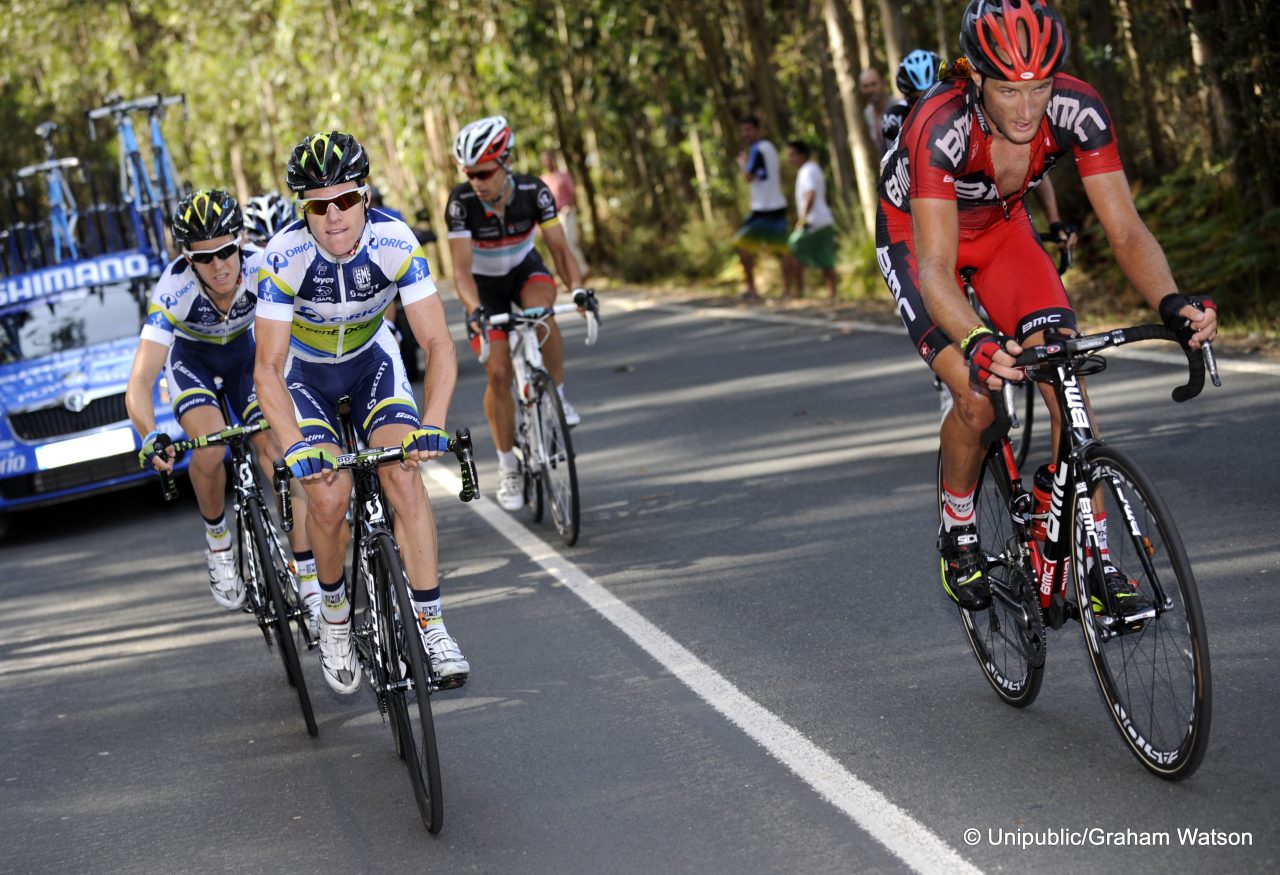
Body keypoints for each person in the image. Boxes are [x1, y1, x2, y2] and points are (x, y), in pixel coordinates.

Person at [875, 0, 1216, 614]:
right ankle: (958, 531)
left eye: (1039, 88)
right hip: (918, 240)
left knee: (1070, 384)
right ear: (976, 78)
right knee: (978, 398)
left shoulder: (1078, 108)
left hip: (1005, 234)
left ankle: (1096, 559)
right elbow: (933, 269)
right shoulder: (939, 123)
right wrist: (977, 340)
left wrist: (1169, 300)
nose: (1028, 109)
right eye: (1009, 91)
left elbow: (1126, 230)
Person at [254, 131, 469, 694]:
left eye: (344, 199)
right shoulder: (284, 257)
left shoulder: (395, 242)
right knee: (328, 497)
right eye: (318, 205)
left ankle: (432, 627)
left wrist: (434, 424)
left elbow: (439, 345)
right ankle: (334, 616)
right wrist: (295, 444)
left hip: (372, 361)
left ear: (364, 197)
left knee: (403, 472)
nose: (332, 215)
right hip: (307, 376)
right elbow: (268, 369)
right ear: (304, 210)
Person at [126, 189, 317, 618]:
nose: (218, 266)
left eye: (227, 251)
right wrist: (149, 432)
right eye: (204, 257)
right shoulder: (172, 289)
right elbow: (140, 378)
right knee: (210, 447)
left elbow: (305, 327)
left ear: (242, 240)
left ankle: (308, 571)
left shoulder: (264, 265)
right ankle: (218, 543)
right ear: (188, 259)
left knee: (276, 446)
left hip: (247, 357)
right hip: (193, 360)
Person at [445, 116, 587, 513]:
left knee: (543, 314)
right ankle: (508, 464)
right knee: (500, 372)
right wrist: (474, 311)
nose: (477, 182)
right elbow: (459, 270)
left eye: (485, 172)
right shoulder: (461, 203)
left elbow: (560, 250)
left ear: (505, 162)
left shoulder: (534, 191)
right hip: (484, 288)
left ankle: (556, 395)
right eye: (470, 174)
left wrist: (577, 290)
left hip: (526, 270)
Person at [733, 115, 795, 299]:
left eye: (748, 129)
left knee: (741, 244)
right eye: (743, 130)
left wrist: (743, 164)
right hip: (776, 205)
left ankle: (752, 287)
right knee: (782, 249)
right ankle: (788, 290)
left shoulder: (757, 149)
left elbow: (748, 177)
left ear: (758, 130)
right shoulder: (770, 148)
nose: (745, 134)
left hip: (763, 209)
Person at [784, 142, 837, 299]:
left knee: (792, 249)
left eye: (792, 155)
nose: (790, 159)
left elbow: (811, 194)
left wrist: (803, 219)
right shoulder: (813, 169)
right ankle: (832, 294)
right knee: (826, 257)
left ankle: (798, 291)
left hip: (812, 222)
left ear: (802, 155)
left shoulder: (807, 171)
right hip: (825, 220)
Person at [539, 149, 589, 278]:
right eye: (545, 160)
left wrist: (569, 207)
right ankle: (569, 277)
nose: (548, 162)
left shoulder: (563, 175)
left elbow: (573, 193)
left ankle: (583, 271)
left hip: (567, 213)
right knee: (558, 247)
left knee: (569, 243)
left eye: (550, 159)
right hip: (552, 217)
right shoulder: (542, 180)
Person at [860, 67, 907, 156]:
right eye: (866, 86)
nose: (870, 90)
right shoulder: (867, 113)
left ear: (883, 84)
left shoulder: (899, 107)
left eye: (873, 84)